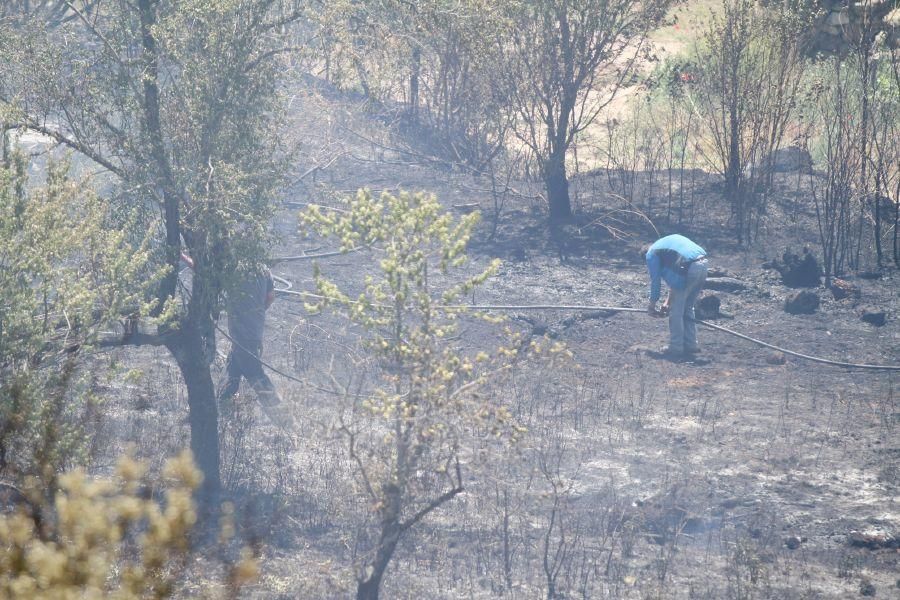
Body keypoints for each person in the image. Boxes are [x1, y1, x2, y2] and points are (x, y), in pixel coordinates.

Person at [219, 263, 282, 410]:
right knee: (232, 369)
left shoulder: (233, 268)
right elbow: (271, 296)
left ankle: (279, 412)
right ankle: (221, 405)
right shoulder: (264, 269)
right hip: (255, 330)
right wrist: (259, 310)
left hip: (242, 332)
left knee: (254, 372)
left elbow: (205, 272)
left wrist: (183, 258)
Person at [644, 234, 708, 360]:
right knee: (688, 307)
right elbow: (675, 281)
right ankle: (691, 344)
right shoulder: (666, 248)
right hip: (703, 263)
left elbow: (655, 281)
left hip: (690, 267)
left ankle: (676, 347)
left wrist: (651, 305)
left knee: (676, 312)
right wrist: (667, 302)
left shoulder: (651, 254)